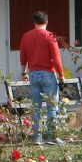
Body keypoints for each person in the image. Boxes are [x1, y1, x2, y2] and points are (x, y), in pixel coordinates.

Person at [19, 11, 65, 144]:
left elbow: (23, 56)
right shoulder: (50, 36)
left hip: (33, 73)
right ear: (47, 21)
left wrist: (24, 73)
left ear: (34, 22)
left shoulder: (26, 36)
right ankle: (52, 135)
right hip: (48, 74)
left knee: (36, 106)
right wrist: (61, 74)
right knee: (52, 105)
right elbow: (56, 58)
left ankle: (37, 137)